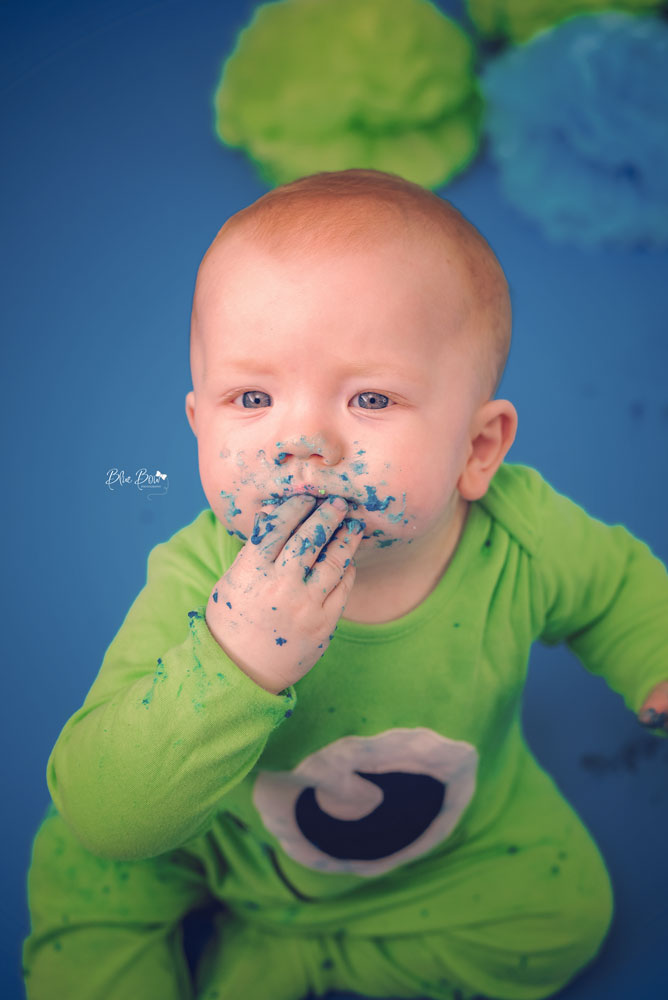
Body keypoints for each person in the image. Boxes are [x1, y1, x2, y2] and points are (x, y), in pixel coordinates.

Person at [23, 169, 668, 1000]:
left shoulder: (521, 536)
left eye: (369, 397)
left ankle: (300, 960)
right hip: (207, 836)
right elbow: (111, 814)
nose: (304, 441)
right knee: (87, 857)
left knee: (567, 915)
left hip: (445, 849)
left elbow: (618, 590)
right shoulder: (197, 575)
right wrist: (233, 659)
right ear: (198, 423)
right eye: (252, 396)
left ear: (478, 450)